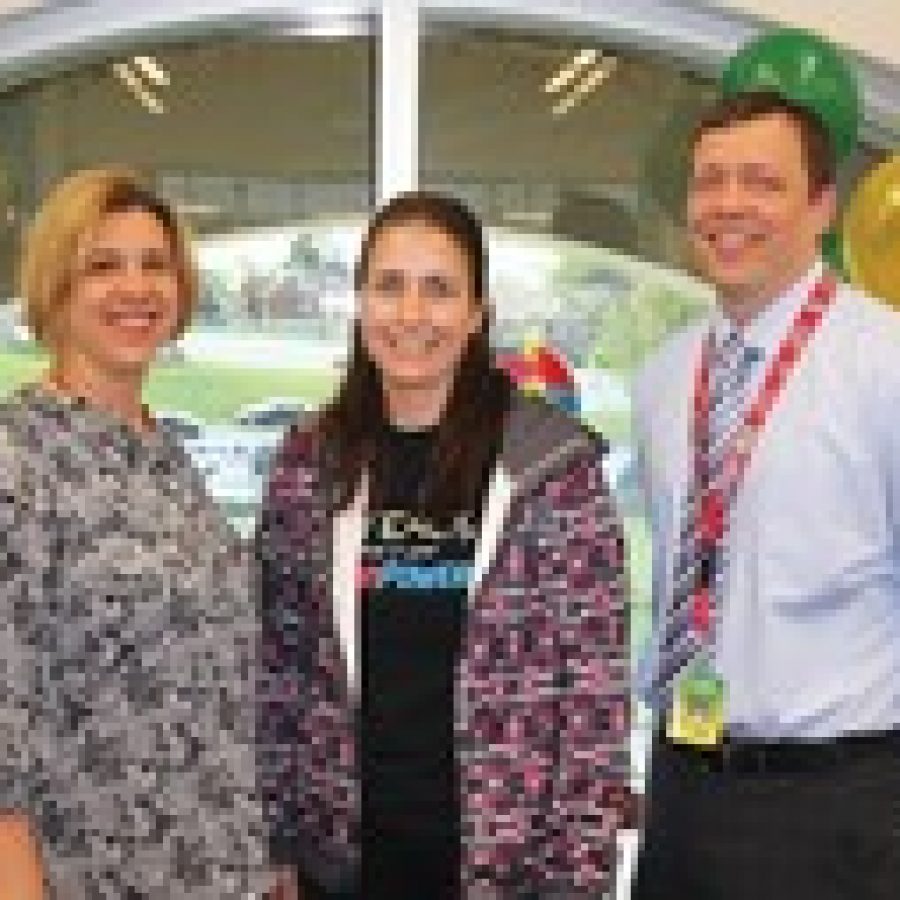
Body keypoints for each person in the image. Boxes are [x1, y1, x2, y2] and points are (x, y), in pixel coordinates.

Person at [257, 191, 631, 899]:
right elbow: (280, 668)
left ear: (477, 314)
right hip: (342, 868)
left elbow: (593, 701)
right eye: (389, 286)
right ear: (360, 303)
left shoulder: (552, 469)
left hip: (506, 872)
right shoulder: (310, 463)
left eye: (439, 289)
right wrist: (278, 840)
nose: (411, 314)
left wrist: (576, 878)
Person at [632, 91, 900, 900]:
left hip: (837, 802)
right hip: (683, 782)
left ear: (822, 207)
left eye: (761, 181)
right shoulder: (663, 376)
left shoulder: (884, 364)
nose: (729, 204)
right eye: (709, 181)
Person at [0, 167, 268, 898]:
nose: (137, 288)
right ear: (56, 285)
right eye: (103, 265)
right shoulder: (19, 459)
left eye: (155, 265)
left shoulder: (165, 454)